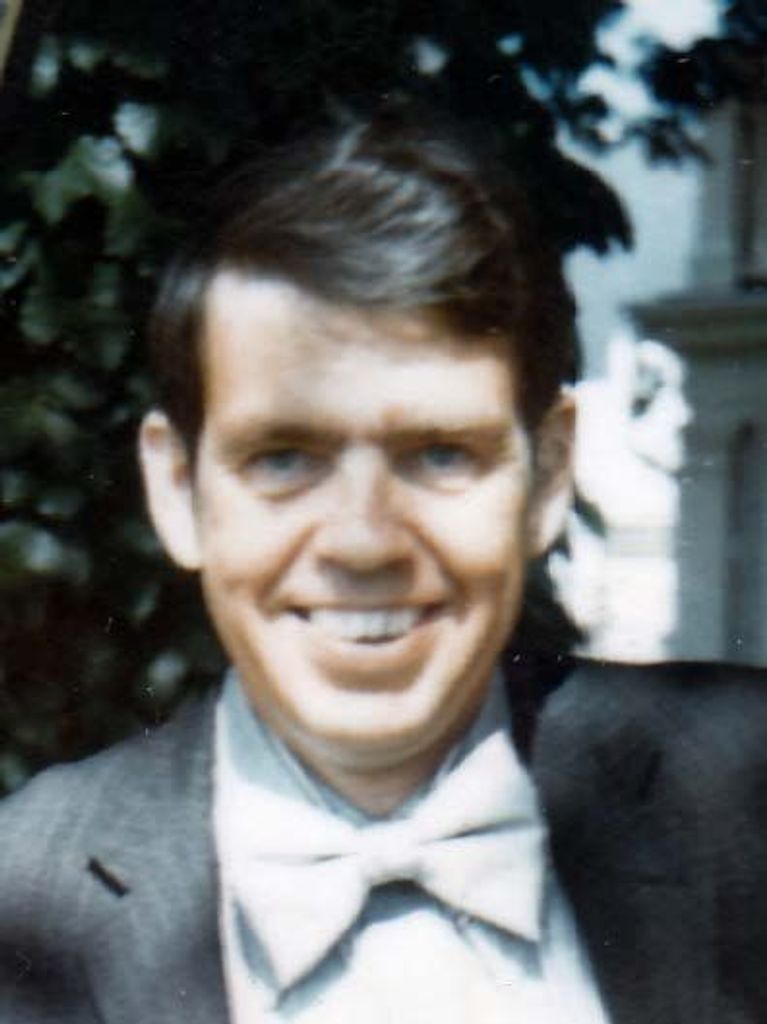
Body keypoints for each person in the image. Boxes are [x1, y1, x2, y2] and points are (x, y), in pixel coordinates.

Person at [2, 104, 767, 1024]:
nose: (362, 541)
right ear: (177, 491)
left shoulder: (744, 800)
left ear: (547, 477)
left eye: (440, 454)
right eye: (283, 458)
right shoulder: (23, 897)